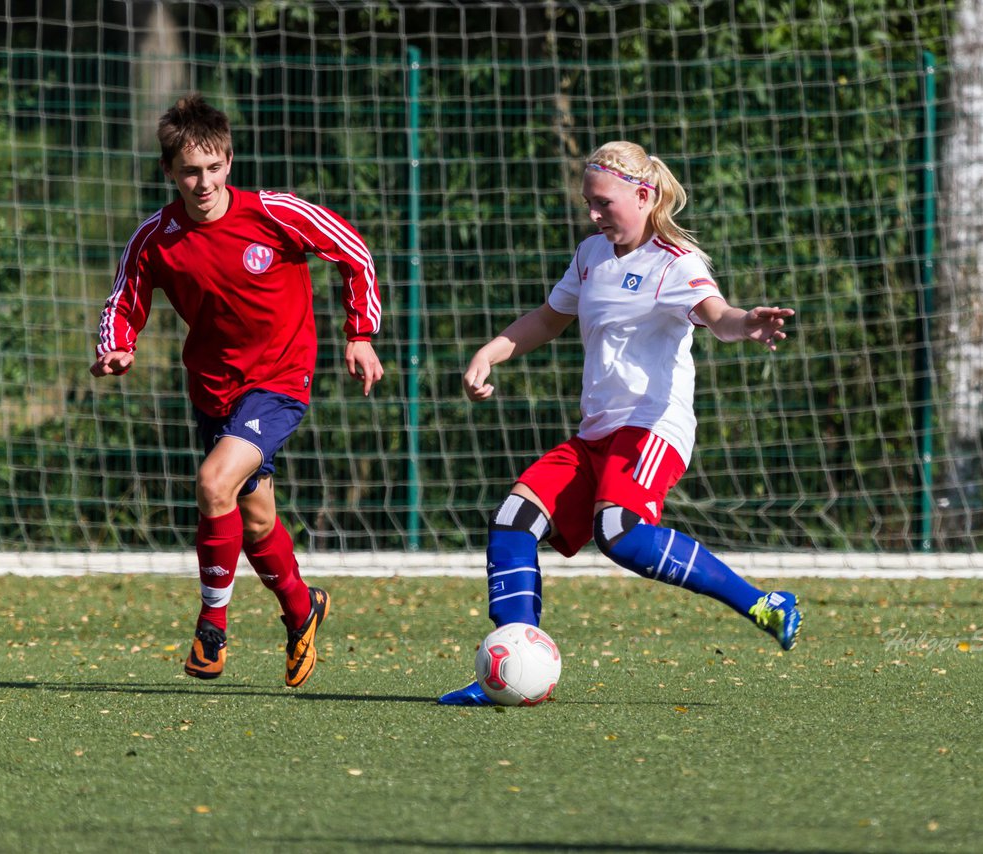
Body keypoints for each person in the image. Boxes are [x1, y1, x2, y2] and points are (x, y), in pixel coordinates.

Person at [438, 141, 802, 705]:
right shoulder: (590, 255)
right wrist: (491, 351)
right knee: (512, 523)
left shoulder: (674, 261)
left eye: (603, 203)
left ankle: (763, 602)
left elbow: (719, 318)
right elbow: (549, 318)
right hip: (596, 434)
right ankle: (507, 667)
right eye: (588, 203)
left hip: (653, 427)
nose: (593, 214)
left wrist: (746, 323)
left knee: (619, 533)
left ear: (643, 194)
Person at [92, 94, 384, 688]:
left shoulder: (274, 213)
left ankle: (212, 628)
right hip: (212, 389)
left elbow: (354, 252)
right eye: (190, 171)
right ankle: (303, 609)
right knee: (252, 521)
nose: (203, 182)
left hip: (279, 379)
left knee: (211, 482)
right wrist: (117, 344)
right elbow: (125, 298)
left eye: (214, 167)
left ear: (229, 161)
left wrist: (360, 334)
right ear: (170, 172)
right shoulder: (156, 237)